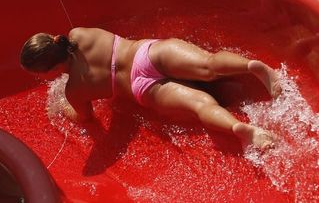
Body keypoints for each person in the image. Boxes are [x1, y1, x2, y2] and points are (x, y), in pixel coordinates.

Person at [20, 28, 281, 149]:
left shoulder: (74, 91)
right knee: (209, 64)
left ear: (50, 71)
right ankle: (254, 68)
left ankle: (241, 130)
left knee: (200, 105)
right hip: (146, 53)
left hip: (140, 87)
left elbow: (86, 118)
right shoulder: (79, 34)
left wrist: (65, 110)